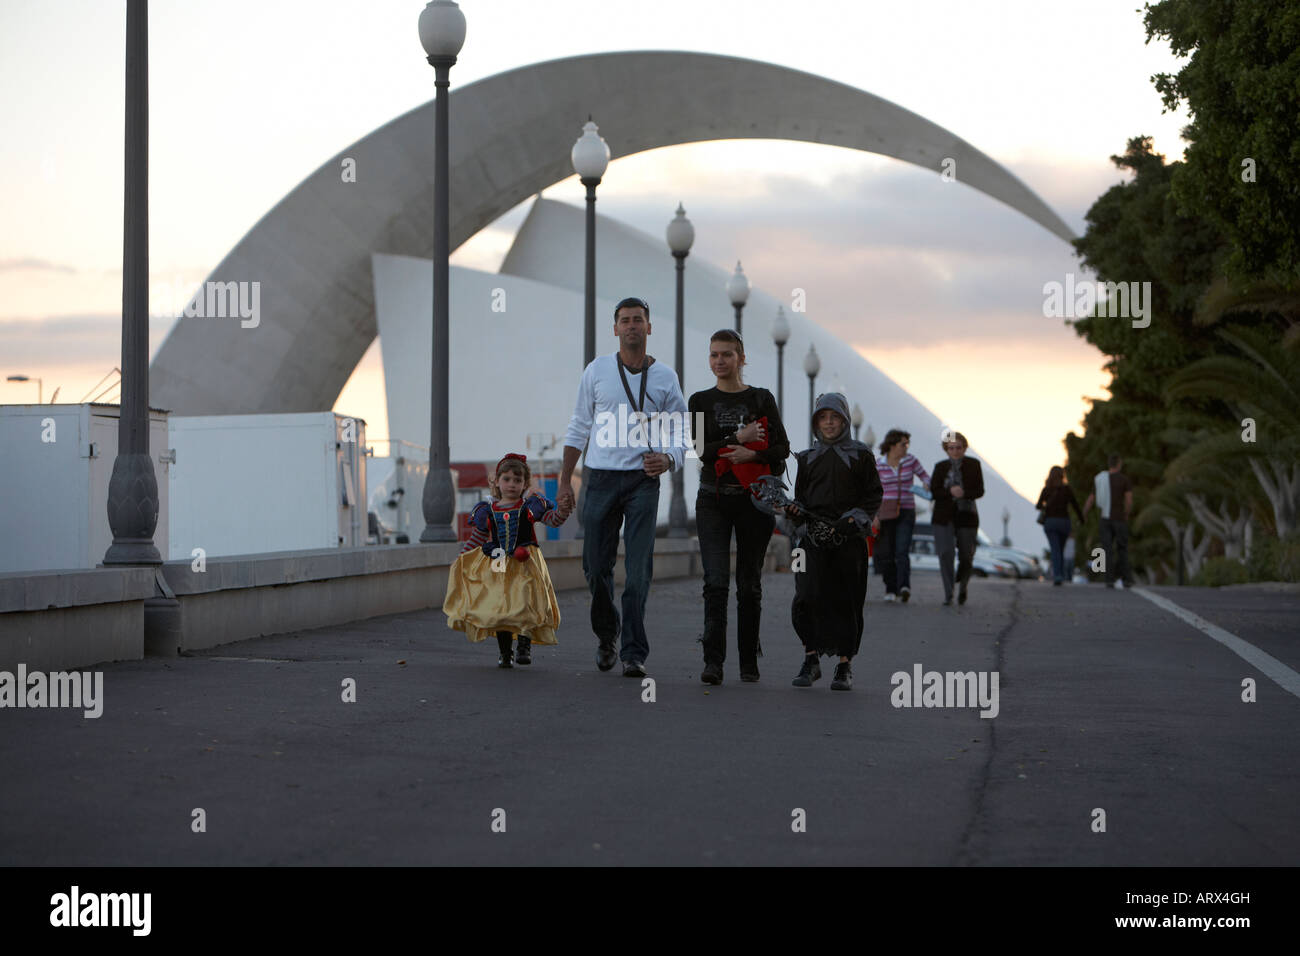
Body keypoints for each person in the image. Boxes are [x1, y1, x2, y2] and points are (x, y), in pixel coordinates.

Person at [558, 297, 689, 677]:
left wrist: (668, 459)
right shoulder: (597, 371)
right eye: (625, 321)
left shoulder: (666, 377)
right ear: (615, 329)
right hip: (598, 479)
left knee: (637, 570)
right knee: (596, 569)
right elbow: (579, 426)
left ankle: (633, 651)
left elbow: (683, 429)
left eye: (638, 320)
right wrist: (566, 482)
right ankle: (606, 635)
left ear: (649, 328)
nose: (632, 326)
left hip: (642, 482)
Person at [689, 329, 791, 685]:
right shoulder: (699, 400)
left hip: (753, 500)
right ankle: (713, 662)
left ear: (741, 358)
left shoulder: (761, 398)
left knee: (749, 585)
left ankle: (748, 662)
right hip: (713, 499)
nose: (720, 361)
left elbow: (782, 448)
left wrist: (753, 453)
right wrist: (738, 438)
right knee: (716, 582)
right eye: (714, 355)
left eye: (727, 355)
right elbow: (702, 451)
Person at [784, 393, 882, 691]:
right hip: (808, 542)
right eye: (823, 417)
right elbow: (800, 499)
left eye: (835, 417)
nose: (829, 423)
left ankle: (844, 665)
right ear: (816, 422)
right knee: (805, 595)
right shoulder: (806, 457)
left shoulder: (861, 455)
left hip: (849, 541)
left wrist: (853, 519)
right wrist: (794, 511)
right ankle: (810, 659)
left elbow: (872, 497)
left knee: (847, 600)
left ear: (844, 420)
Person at [443, 454, 571, 667]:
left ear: (524, 484)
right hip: (498, 561)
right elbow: (477, 538)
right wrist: (461, 559)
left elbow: (553, 520)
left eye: (517, 480)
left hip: (525, 561)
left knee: (525, 602)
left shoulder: (530, 506)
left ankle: (523, 645)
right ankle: (505, 652)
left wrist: (563, 511)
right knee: (499, 607)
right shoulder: (488, 510)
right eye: (507, 479)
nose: (512, 484)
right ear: (497, 482)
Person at [870, 428, 930, 603]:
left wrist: (926, 484)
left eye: (907, 444)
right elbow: (873, 492)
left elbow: (925, 476)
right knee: (887, 552)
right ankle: (890, 588)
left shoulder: (910, 461)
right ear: (892, 445)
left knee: (902, 551)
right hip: (885, 513)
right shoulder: (879, 464)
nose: (906, 447)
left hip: (906, 511)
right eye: (903, 444)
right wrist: (874, 516)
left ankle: (904, 587)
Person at [929, 432, 984, 606]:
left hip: (967, 515)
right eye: (951, 448)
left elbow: (980, 490)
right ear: (946, 449)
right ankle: (949, 593)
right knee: (945, 553)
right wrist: (949, 492)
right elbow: (934, 491)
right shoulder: (940, 467)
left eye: (958, 447)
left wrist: (964, 493)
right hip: (943, 516)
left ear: (965, 448)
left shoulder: (974, 465)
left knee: (967, 556)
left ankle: (963, 587)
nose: (955, 451)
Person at [1083, 454, 1134, 589]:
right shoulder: (1124, 480)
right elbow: (1128, 500)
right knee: (1122, 549)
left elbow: (1091, 498)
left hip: (1105, 519)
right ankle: (1126, 579)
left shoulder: (1100, 479)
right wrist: (1127, 513)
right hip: (1119, 519)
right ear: (1119, 464)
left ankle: (1109, 579)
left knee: (1107, 549)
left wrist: (1085, 513)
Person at [1036, 465, 1084, 585]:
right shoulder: (1067, 489)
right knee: (1060, 549)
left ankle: (1057, 575)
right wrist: (1081, 519)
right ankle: (1060, 574)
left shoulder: (1046, 490)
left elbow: (1038, 506)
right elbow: (1075, 505)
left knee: (1055, 549)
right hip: (1064, 522)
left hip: (1050, 522)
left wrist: (1046, 506)